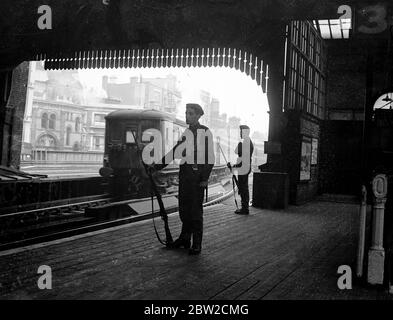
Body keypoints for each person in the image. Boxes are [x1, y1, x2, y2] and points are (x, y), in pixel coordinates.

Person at [152, 103, 215, 255]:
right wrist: (156, 166)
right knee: (184, 210)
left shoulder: (205, 132)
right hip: (185, 177)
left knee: (195, 212)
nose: (187, 115)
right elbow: (174, 152)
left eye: (191, 113)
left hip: (197, 179)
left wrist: (204, 178)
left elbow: (210, 158)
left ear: (199, 116)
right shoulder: (187, 133)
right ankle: (185, 239)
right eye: (186, 113)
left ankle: (197, 243)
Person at [229, 125, 254, 215]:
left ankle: (244, 208)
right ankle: (244, 207)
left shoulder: (246, 143)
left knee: (243, 188)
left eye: (241, 131)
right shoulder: (247, 142)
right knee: (244, 188)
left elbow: (242, 157)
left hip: (244, 168)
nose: (240, 133)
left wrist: (234, 166)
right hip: (245, 167)